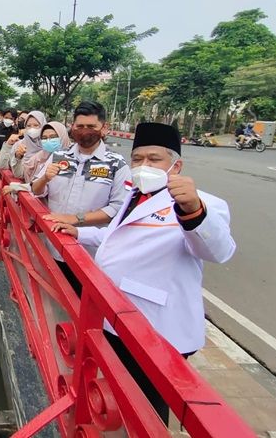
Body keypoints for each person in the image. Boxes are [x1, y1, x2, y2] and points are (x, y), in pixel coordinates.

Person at [52, 122, 236, 425]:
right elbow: (115, 236)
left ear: (175, 165)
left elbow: (219, 251)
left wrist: (193, 208)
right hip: (118, 314)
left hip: (157, 324)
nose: (143, 166)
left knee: (149, 404)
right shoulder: (135, 194)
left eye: (154, 159)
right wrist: (78, 233)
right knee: (121, 386)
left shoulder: (203, 202)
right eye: (137, 159)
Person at [32, 101, 131, 294]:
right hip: (52, 245)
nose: (85, 131)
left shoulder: (116, 164)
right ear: (72, 126)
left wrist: (75, 219)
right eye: (80, 126)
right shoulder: (59, 156)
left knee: (82, 303)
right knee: (53, 299)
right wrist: (44, 178)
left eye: (91, 127)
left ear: (104, 128)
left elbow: (118, 208)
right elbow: (35, 190)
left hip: (89, 254)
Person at [0, 110, 46, 176]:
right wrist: (8, 146)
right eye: (28, 125)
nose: (32, 128)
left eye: (36, 125)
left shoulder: (48, 146)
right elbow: (1, 166)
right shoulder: (19, 145)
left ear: (43, 126)